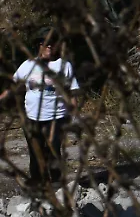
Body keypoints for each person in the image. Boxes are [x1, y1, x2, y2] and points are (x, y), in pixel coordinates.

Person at [0, 28, 80, 185]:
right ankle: (37, 184)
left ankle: (57, 184)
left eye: (52, 45)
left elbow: (72, 92)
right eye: (46, 44)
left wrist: (75, 115)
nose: (49, 48)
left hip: (57, 118)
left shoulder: (64, 65)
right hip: (32, 117)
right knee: (36, 153)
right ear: (39, 45)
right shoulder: (28, 64)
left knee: (54, 152)